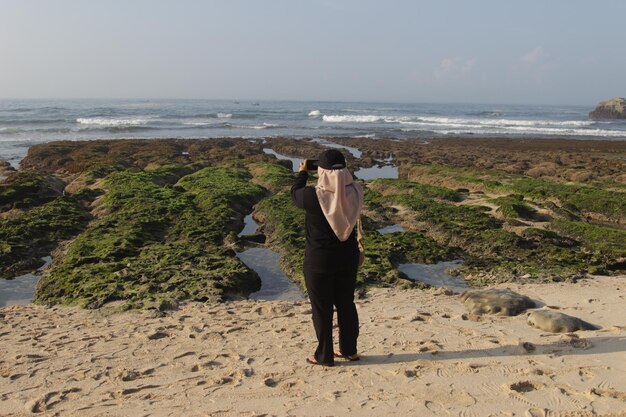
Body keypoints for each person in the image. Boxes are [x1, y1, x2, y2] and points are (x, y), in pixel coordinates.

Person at [291, 149, 364, 366]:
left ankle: (324, 355)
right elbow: (342, 183)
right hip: (348, 258)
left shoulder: (312, 196)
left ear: (321, 171)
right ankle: (349, 351)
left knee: (321, 309)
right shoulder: (357, 191)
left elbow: (294, 192)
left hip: (319, 260)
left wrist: (303, 172)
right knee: (346, 304)